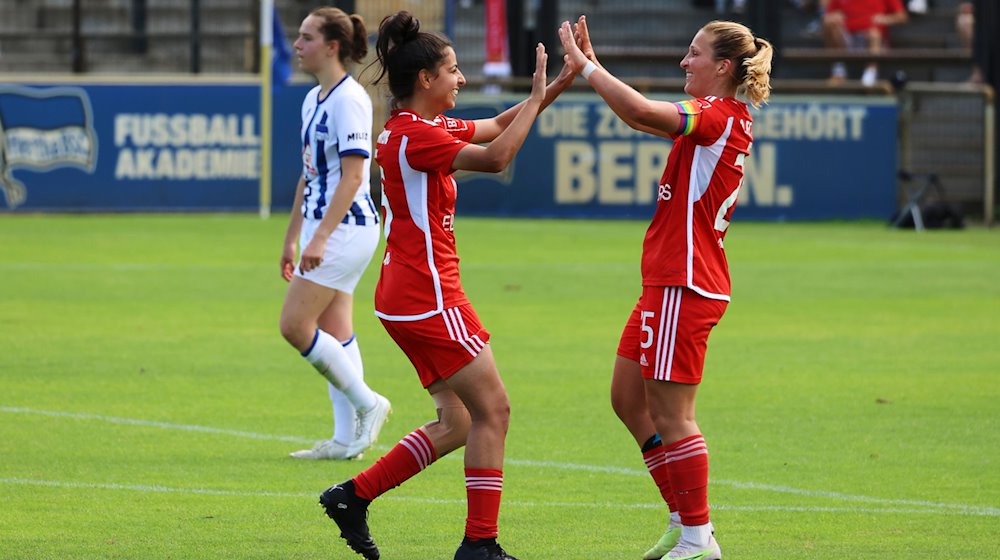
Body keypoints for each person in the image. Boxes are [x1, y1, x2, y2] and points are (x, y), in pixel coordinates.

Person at [317, 10, 576, 560]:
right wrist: (535, 97)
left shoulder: (418, 130)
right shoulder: (415, 137)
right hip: (429, 297)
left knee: (458, 420)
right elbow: (499, 156)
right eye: (454, 71)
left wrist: (555, 86)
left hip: (407, 298)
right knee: (494, 411)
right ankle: (480, 545)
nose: (461, 80)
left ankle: (352, 496)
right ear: (427, 80)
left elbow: (496, 126)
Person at [559, 15, 772, 560]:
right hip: (669, 281)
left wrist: (585, 68)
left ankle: (699, 540)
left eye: (694, 53)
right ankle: (683, 522)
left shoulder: (716, 114)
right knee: (628, 399)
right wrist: (596, 65)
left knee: (673, 415)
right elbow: (641, 114)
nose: (684, 61)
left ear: (722, 68)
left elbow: (637, 111)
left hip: (686, 281)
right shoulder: (718, 115)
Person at [279, 6, 391, 461]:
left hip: (346, 228)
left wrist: (321, 238)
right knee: (336, 329)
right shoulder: (313, 99)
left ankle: (369, 403)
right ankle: (347, 440)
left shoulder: (350, 100)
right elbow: (310, 174)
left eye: (306, 37)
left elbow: (352, 177)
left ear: (331, 46)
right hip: (323, 226)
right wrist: (293, 236)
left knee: (294, 325)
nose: (297, 44)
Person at [822, 0, 908, 86]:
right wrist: (836, 16)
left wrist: (885, 19)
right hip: (848, 36)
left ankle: (869, 77)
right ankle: (838, 72)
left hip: (874, 40)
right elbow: (829, 13)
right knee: (830, 21)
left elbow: (902, 17)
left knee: (873, 34)